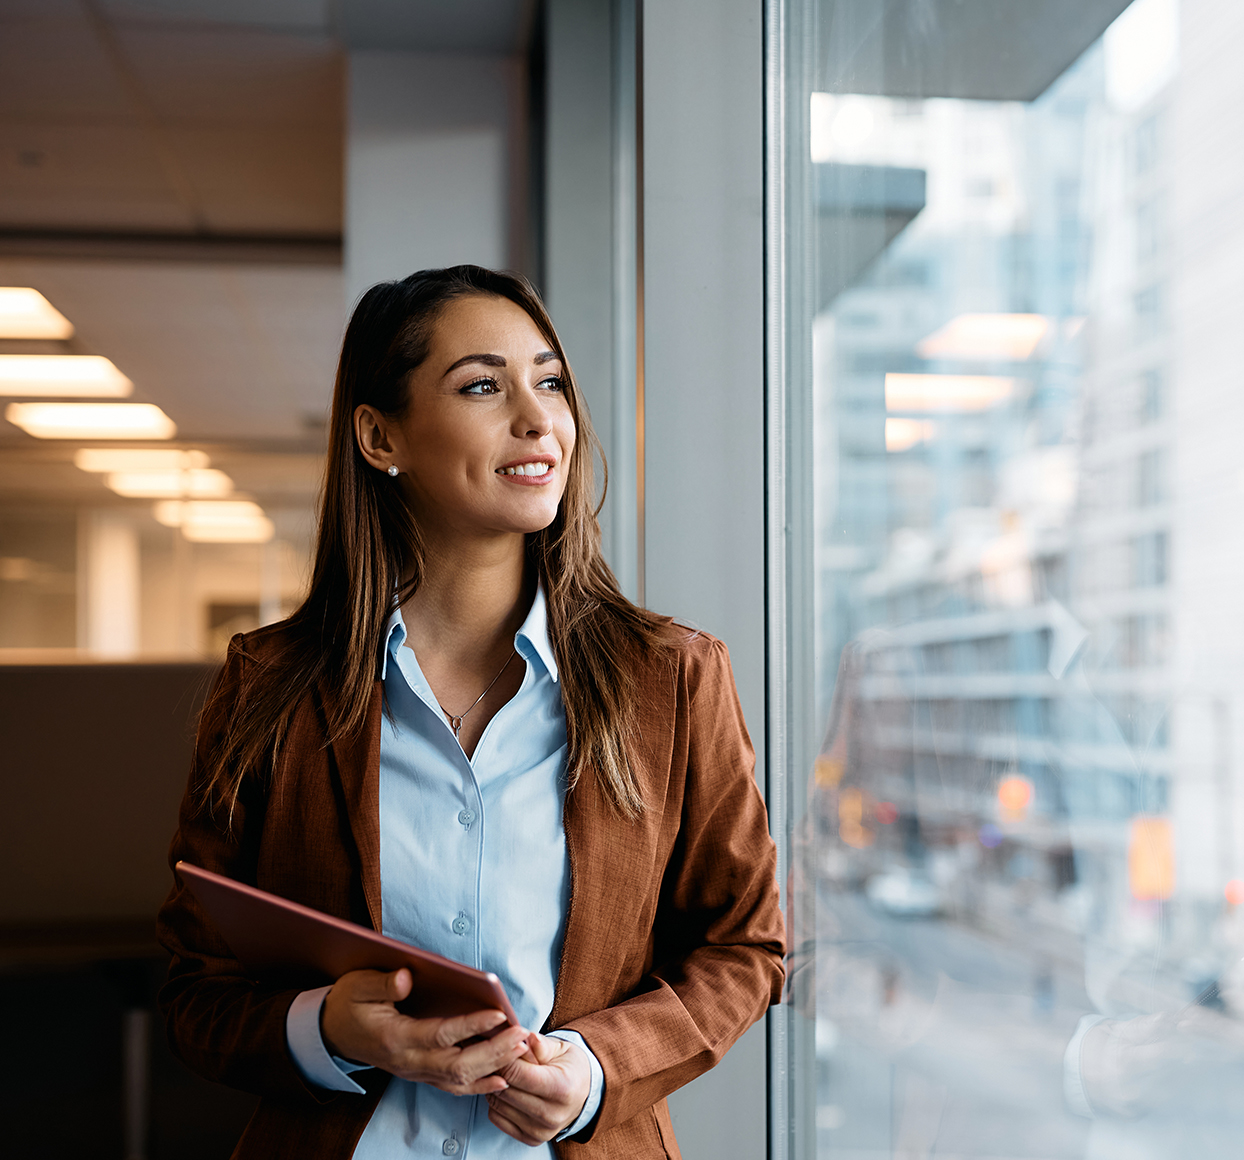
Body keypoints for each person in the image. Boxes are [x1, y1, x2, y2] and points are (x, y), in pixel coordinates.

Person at [156, 265, 785, 1158]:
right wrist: (329, 1027)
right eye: (484, 385)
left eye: (551, 381)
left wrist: (594, 1069)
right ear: (380, 437)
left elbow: (745, 949)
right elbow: (193, 989)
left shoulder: (672, 681)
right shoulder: (271, 687)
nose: (539, 419)